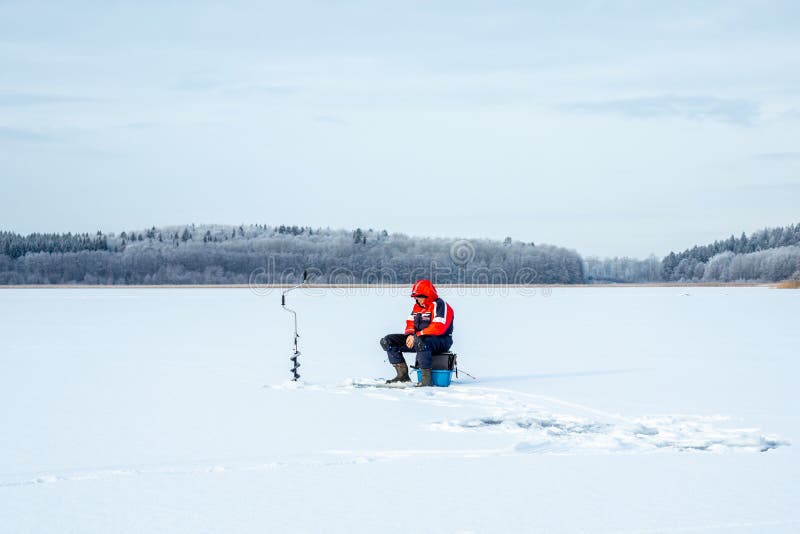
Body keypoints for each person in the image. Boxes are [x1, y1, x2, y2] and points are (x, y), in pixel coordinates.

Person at [379, 279, 454, 386]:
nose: (417, 299)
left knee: (420, 341)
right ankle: (402, 375)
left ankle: (426, 380)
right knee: (388, 341)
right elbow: (410, 323)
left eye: (419, 296)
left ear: (428, 295)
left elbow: (439, 327)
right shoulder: (417, 307)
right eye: (416, 297)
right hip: (420, 340)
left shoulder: (440, 305)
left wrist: (417, 335)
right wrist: (410, 335)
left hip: (441, 341)